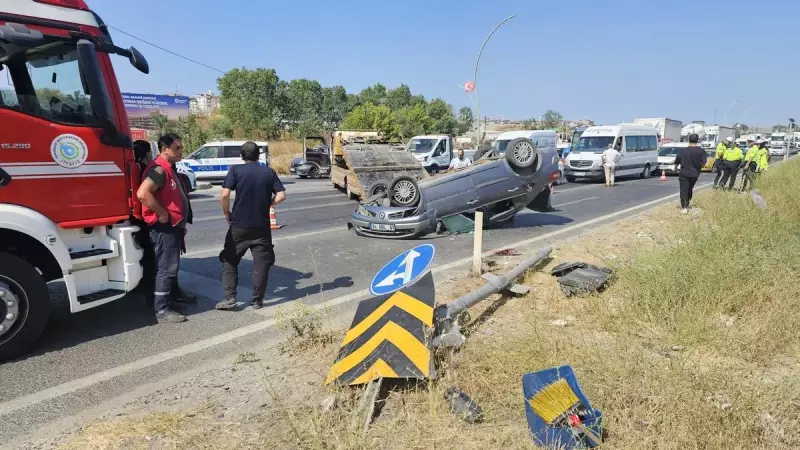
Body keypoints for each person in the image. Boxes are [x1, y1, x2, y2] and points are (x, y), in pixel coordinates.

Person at [215, 142, 286, 311]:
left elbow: (225, 194)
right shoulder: (268, 172)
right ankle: (257, 301)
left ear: (242, 156)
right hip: (261, 227)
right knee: (261, 264)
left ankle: (230, 298)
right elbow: (282, 195)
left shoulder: (236, 170)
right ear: (258, 155)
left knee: (230, 260)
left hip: (239, 225)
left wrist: (227, 213)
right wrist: (268, 204)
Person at [136, 133, 195, 323]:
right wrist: (162, 214)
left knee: (170, 265)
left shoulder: (169, 167)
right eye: (177, 148)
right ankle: (162, 309)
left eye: (181, 147)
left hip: (173, 226)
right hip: (164, 227)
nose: (181, 151)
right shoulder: (159, 170)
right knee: (166, 268)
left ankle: (171, 297)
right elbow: (143, 194)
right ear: (165, 149)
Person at [673, 133, 707, 214]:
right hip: (695, 174)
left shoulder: (683, 151)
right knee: (689, 188)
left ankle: (684, 207)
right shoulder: (701, 151)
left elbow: (677, 161)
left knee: (684, 189)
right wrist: (698, 168)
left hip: (684, 173)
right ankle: (687, 203)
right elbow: (704, 163)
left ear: (689, 140)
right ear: (697, 140)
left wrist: (675, 169)